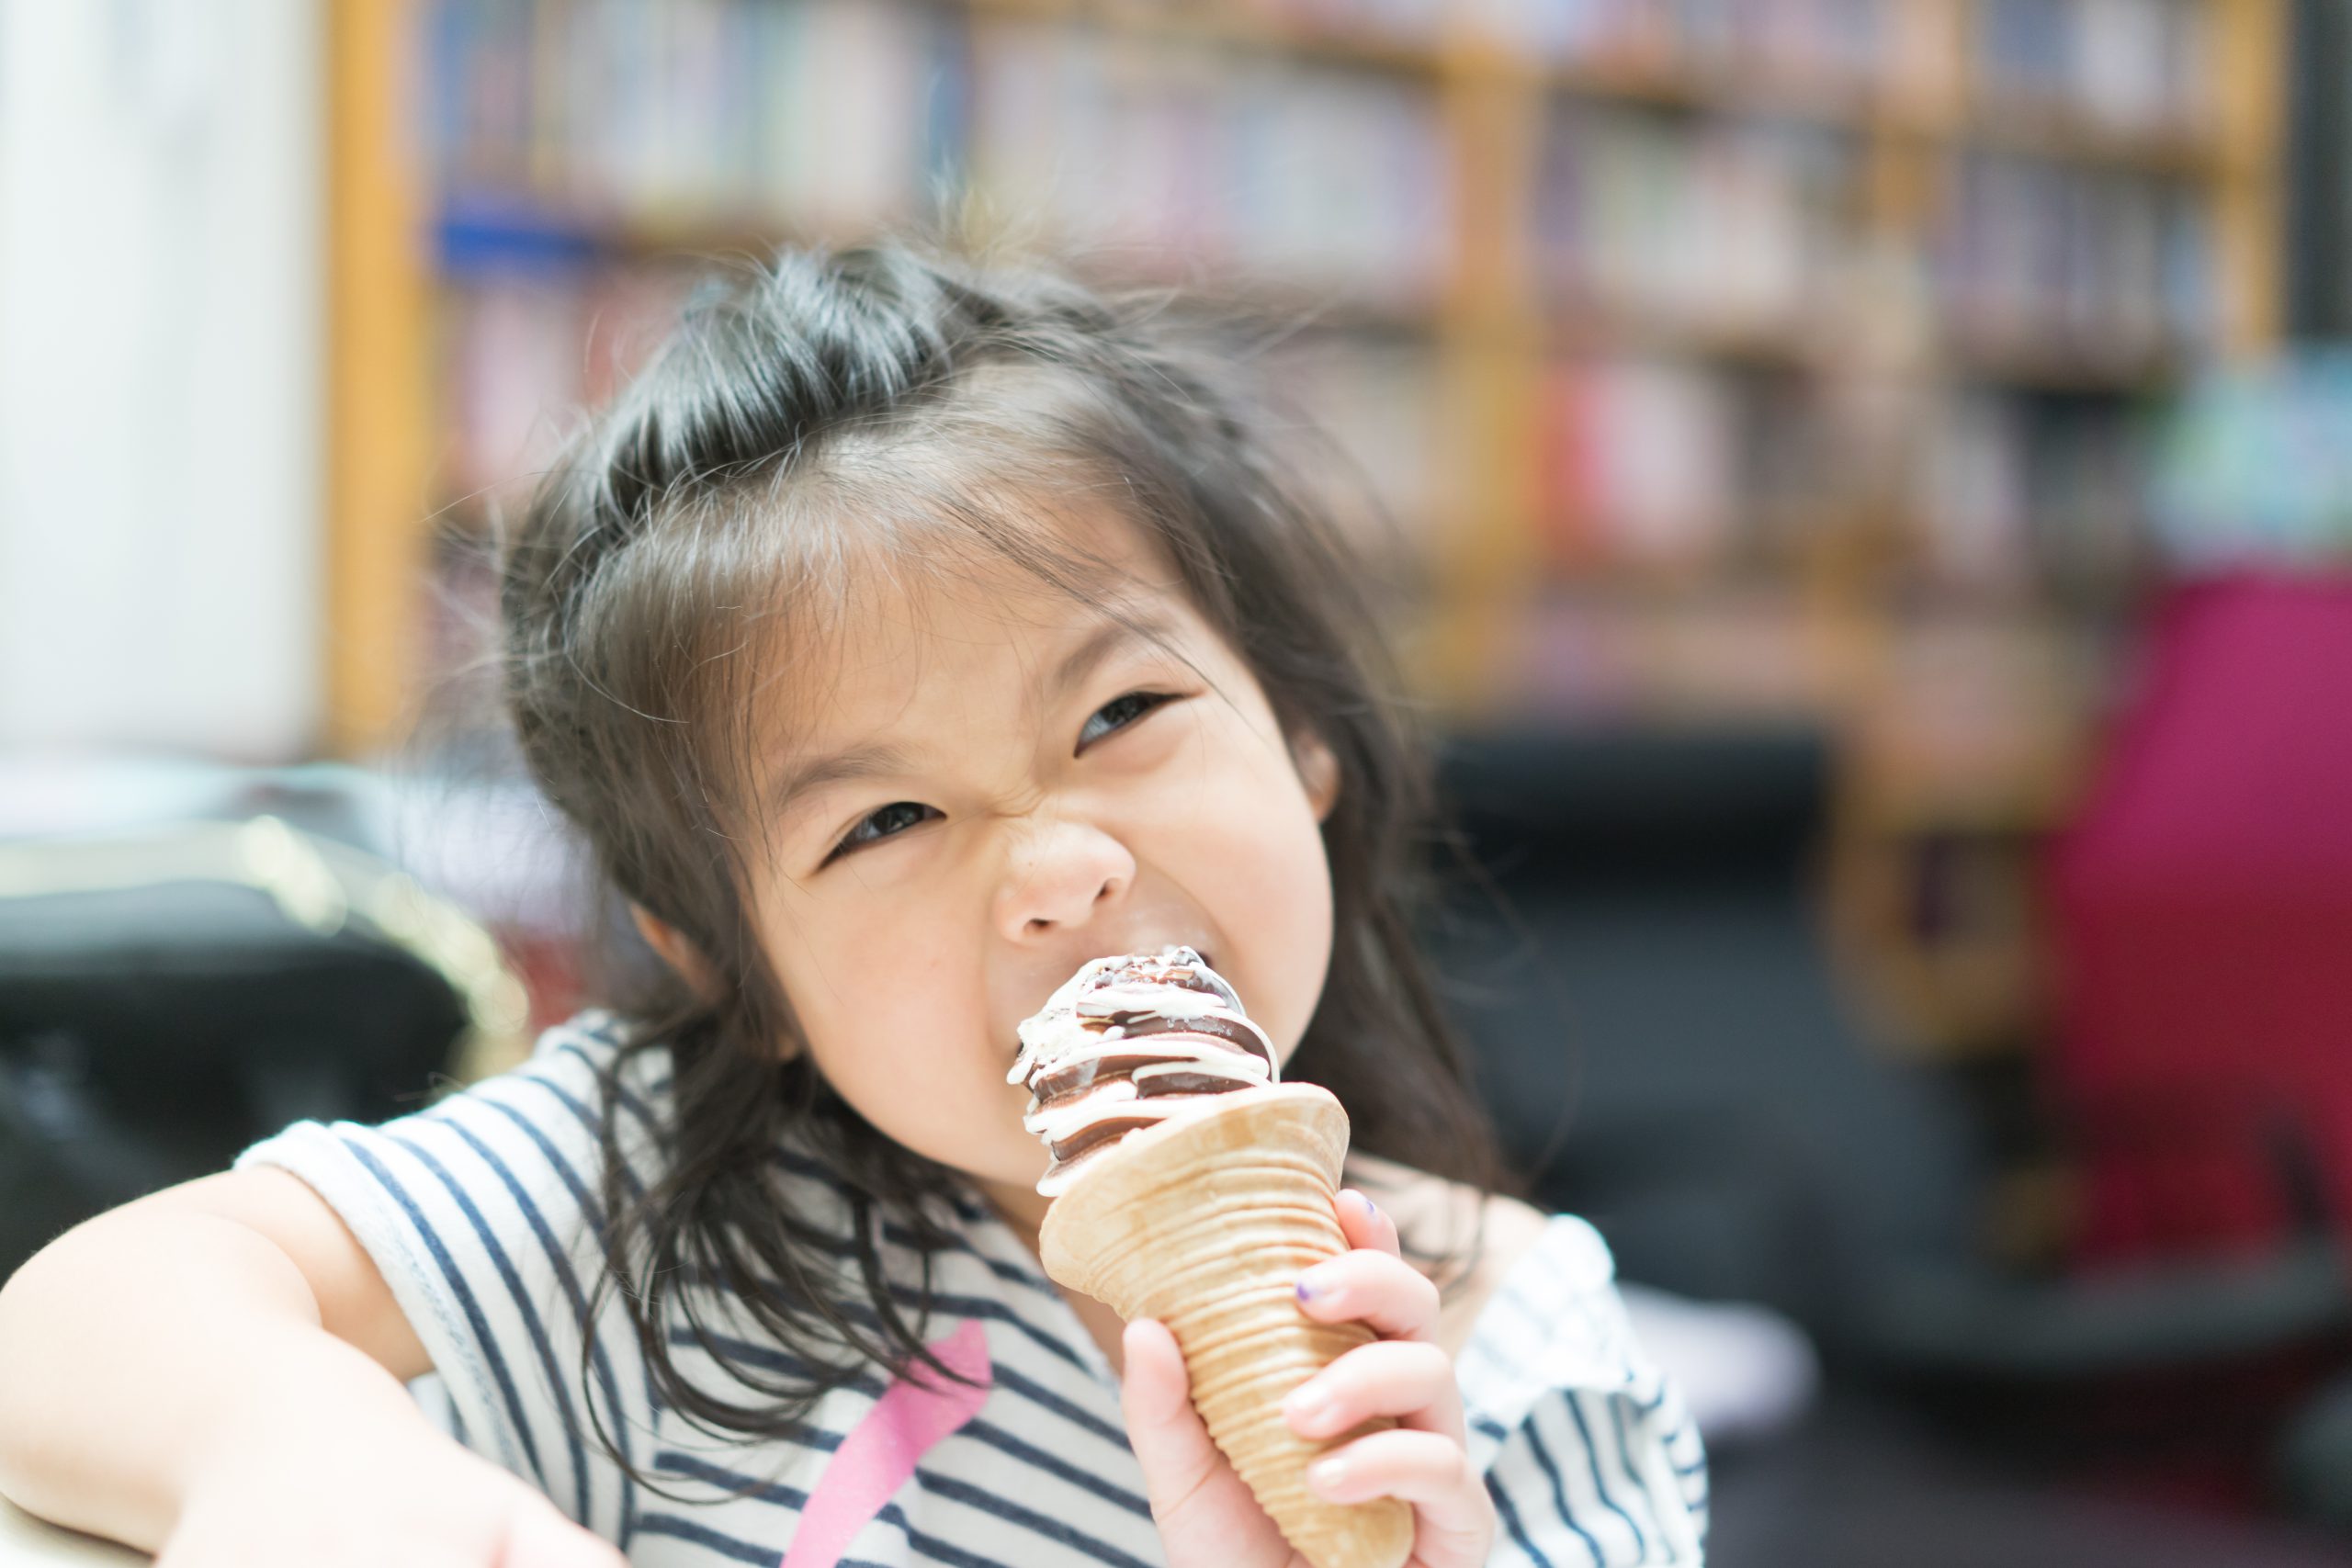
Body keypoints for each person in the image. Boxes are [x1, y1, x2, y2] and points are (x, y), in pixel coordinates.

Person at [0, 238, 1708, 1567]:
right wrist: (288, 1445)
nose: (1057, 865)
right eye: (887, 818)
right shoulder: (655, 1209)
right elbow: (80, 1312)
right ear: (733, 967)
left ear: (1304, 731)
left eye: (1122, 715)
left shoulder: (1519, 1364)